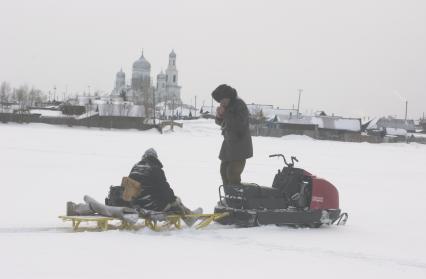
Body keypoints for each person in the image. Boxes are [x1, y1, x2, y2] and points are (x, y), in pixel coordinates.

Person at [212, 84, 253, 185]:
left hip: (240, 146)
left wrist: (224, 113)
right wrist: (219, 116)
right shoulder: (227, 106)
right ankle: (229, 196)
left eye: (222, 100)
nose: (221, 103)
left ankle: (236, 198)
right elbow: (222, 123)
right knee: (223, 171)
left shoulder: (239, 105)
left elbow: (238, 123)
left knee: (232, 173)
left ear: (228, 97)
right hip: (229, 145)